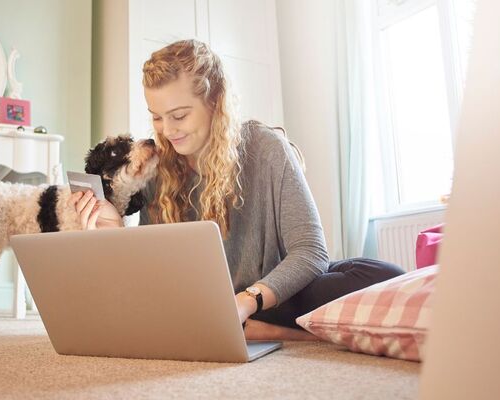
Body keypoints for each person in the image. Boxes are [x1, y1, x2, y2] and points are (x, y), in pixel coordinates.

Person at [71, 39, 403, 341]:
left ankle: (261, 327)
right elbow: (152, 274)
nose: (167, 130)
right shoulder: (158, 167)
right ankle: (286, 331)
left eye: (179, 115)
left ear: (215, 101)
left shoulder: (265, 146)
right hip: (204, 305)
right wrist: (114, 232)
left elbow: (312, 252)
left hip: (266, 296)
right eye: (156, 118)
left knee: (383, 275)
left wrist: (248, 300)